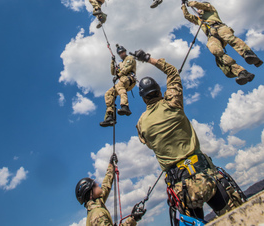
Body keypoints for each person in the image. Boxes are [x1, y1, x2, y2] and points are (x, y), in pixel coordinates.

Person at [132, 49, 244, 220]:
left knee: (193, 223)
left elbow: (147, 142)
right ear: (159, 91)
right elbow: (172, 71)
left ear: (143, 98)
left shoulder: (141, 124)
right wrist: (147, 59)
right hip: (203, 172)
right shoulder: (173, 102)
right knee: (236, 217)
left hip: (179, 185)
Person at [181, 0, 262, 85]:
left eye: (200, 9)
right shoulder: (199, 19)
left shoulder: (210, 9)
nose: (199, 10)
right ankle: (240, 72)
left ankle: (248, 54)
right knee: (215, 51)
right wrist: (183, 6)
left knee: (230, 38)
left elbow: (200, 5)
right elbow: (187, 16)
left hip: (219, 28)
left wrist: (189, 3)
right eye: (198, 10)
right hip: (212, 36)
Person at [75, 153, 145, 225]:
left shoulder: (97, 204)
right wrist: (132, 219)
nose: (97, 184)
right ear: (90, 194)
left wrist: (111, 166)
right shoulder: (97, 215)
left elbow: (106, 186)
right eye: (94, 185)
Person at [100, 45, 136, 127]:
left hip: (129, 79)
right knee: (109, 93)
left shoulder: (129, 58)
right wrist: (112, 62)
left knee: (120, 84)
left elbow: (127, 68)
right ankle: (110, 115)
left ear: (125, 51)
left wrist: (118, 75)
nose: (122, 53)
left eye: (123, 52)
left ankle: (125, 106)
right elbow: (113, 72)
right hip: (122, 81)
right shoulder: (120, 63)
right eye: (120, 53)